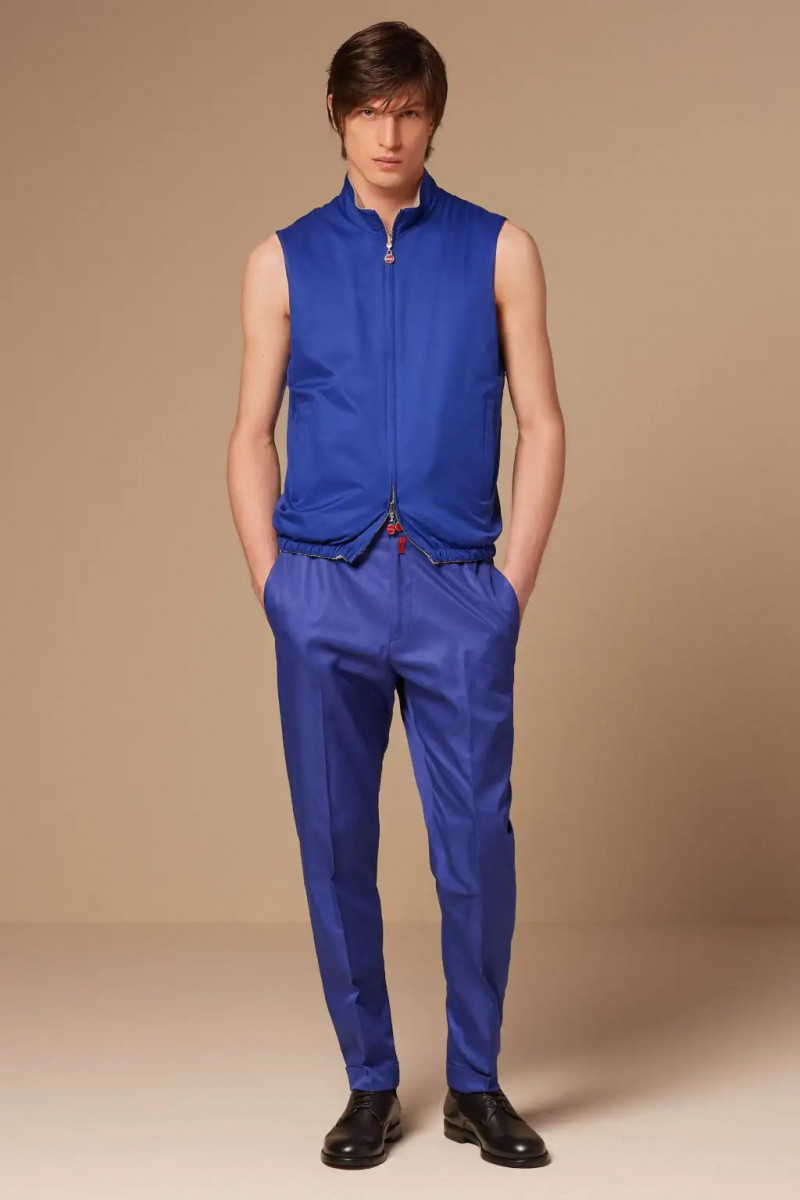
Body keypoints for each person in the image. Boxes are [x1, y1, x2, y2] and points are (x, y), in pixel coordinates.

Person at [227, 20, 565, 1171]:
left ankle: (474, 1081)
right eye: (370, 111)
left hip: (457, 587)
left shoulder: (497, 248)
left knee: (475, 844)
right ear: (337, 117)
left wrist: (508, 590)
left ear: (434, 119)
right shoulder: (279, 261)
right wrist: (275, 587)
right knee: (335, 845)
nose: (389, 132)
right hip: (323, 587)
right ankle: (370, 1082)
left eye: (410, 110)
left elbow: (542, 424)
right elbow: (248, 433)